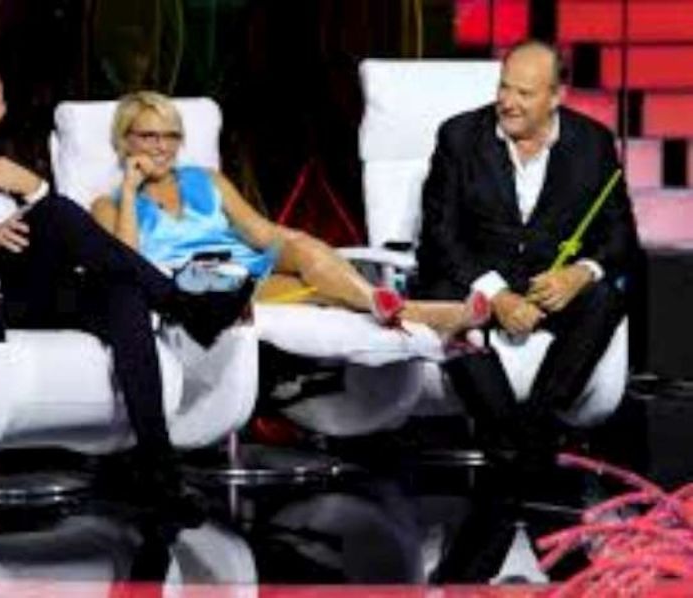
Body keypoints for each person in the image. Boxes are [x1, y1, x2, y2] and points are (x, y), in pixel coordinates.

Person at [0, 62, 251, 505]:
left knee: (123, 292)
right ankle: (183, 304)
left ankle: (157, 464)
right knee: (55, 210)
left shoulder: (14, 168)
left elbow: (68, 242)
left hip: (35, 295)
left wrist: (33, 188)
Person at [90, 90, 490, 345]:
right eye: (148, 136)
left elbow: (261, 232)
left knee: (302, 250)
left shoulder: (207, 180)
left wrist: (303, 248)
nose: (161, 147)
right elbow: (129, 267)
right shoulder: (107, 206)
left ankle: (382, 302)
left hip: (245, 266)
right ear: (125, 140)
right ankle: (424, 313)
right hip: (198, 289)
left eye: (171, 136)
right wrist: (130, 189)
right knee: (316, 288)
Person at [416, 40, 640, 455]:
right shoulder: (459, 137)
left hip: (548, 285)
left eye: (524, 93)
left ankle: (538, 423)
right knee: (442, 296)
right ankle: (514, 440)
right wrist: (497, 295)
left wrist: (579, 274)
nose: (508, 102)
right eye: (504, 87)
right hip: (476, 282)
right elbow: (439, 235)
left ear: (556, 96)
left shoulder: (593, 143)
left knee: (604, 298)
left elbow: (620, 235)